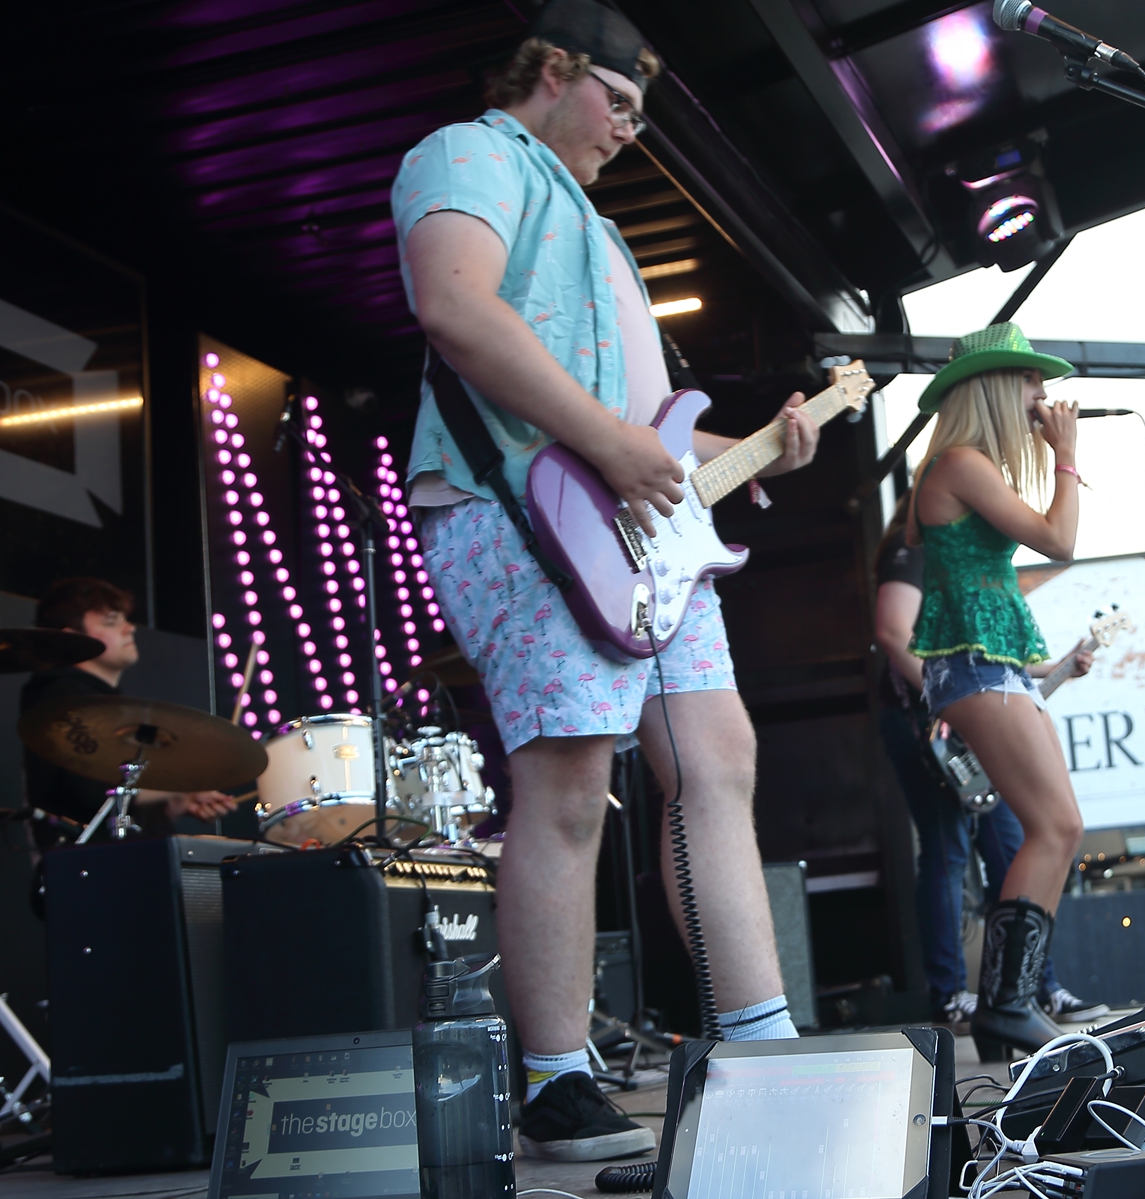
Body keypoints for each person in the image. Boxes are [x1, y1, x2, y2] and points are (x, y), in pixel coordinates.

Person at [391, 0, 818, 1162]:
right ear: (551, 69)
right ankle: (555, 1076)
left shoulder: (598, 227)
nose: (630, 129)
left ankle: (761, 1039)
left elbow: (646, 428)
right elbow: (455, 306)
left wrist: (751, 452)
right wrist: (614, 445)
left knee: (717, 755)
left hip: (629, 520)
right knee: (570, 778)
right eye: (617, 101)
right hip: (522, 506)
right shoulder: (472, 153)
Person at [906, 322, 1088, 1057]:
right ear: (994, 387)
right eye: (1030, 381)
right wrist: (1066, 456)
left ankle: (1011, 1002)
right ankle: (1005, 1005)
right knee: (1052, 825)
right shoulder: (958, 463)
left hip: (997, 665)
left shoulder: (971, 466)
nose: (1042, 395)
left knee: (1061, 827)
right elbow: (1060, 540)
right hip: (974, 667)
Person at [871, 512, 1107, 1029]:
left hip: (976, 703)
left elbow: (991, 659)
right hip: (926, 725)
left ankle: (1028, 990)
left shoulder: (970, 565)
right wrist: (942, 701)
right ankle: (952, 995)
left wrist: (1057, 667)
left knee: (1018, 844)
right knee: (947, 851)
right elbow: (892, 631)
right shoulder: (919, 550)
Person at [20, 579, 238, 849]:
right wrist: (178, 787)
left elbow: (116, 805)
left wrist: (176, 803)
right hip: (89, 866)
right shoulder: (60, 696)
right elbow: (88, 792)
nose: (129, 628)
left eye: (125, 619)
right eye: (111, 622)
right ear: (72, 639)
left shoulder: (105, 703)